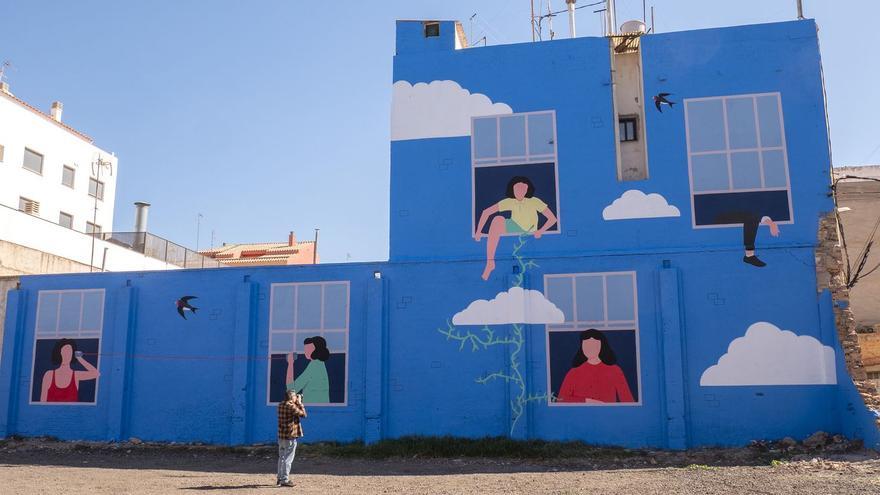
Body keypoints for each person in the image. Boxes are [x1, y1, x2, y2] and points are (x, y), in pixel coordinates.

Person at [474, 176, 557, 280]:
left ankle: (490, 263)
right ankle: (490, 262)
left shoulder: (534, 201)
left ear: (526, 189)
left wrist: (541, 230)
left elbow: (552, 219)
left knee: (498, 220)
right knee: (497, 219)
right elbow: (486, 212)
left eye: (522, 188)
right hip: (514, 226)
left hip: (529, 229)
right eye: (516, 188)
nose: (519, 191)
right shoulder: (510, 201)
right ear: (512, 189)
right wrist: (478, 231)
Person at [557, 329, 634, 404]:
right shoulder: (573, 373)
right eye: (586, 344)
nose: (590, 348)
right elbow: (560, 400)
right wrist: (587, 401)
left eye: (593, 344)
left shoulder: (615, 371)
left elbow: (629, 402)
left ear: (601, 346)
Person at [40, 339, 100, 403]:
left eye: (69, 352)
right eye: (64, 351)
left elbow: (96, 373)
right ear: (59, 353)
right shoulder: (49, 375)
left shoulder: (76, 375)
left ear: (72, 354)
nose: (67, 355)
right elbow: (42, 402)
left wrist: (80, 359)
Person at [713, 211, 780, 267]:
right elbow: (753, 214)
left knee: (751, 216)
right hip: (720, 214)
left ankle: (749, 255)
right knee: (750, 217)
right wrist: (771, 223)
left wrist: (770, 223)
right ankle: (749, 255)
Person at [285, 336, 330, 403]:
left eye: (309, 349)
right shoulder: (320, 364)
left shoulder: (313, 366)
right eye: (305, 349)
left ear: (317, 350)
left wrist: (290, 363)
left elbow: (291, 390)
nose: (305, 351)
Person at [276, 389, 306, 487]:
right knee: (288, 459)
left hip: (281, 436)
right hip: (290, 436)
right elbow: (303, 414)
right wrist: (300, 402)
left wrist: (296, 401)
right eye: (294, 396)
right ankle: (285, 479)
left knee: (282, 458)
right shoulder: (291, 406)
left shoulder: (280, 404)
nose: (296, 398)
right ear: (291, 397)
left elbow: (292, 411)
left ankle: (279, 478)